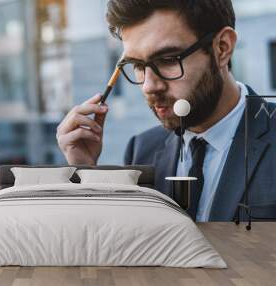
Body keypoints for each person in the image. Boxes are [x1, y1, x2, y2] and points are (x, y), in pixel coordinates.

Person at [56, 0, 276, 221]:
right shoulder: (141, 151)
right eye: (138, 66)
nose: (149, 86)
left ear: (222, 48)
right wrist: (86, 172)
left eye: (168, 60)